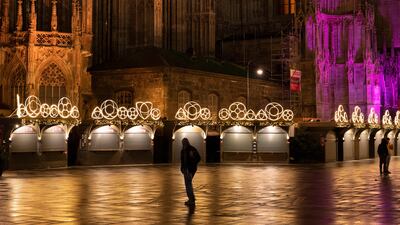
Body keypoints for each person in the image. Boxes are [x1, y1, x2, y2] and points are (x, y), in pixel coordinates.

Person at [180, 138, 201, 206]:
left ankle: (191, 199)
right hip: (186, 169)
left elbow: (198, 158)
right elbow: (182, 161)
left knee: (188, 184)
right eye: (183, 143)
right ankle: (191, 199)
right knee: (188, 184)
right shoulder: (183, 150)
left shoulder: (191, 149)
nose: (183, 144)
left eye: (184, 142)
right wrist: (182, 168)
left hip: (190, 169)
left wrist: (193, 161)